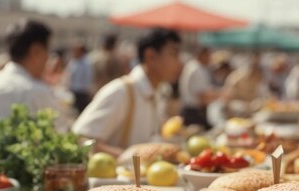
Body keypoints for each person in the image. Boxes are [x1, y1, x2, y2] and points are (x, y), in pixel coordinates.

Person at [72, 28, 182, 157]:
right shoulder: (121, 92)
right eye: (173, 54)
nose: (179, 62)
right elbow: (80, 140)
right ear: (151, 56)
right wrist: (129, 156)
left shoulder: (156, 93)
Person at [0, 19, 63, 122]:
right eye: (47, 51)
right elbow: (60, 133)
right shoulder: (39, 93)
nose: (47, 57)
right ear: (36, 51)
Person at [179, 47, 218, 128]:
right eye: (208, 56)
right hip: (194, 112)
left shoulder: (192, 66)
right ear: (201, 55)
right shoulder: (197, 69)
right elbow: (202, 96)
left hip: (190, 110)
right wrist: (219, 95)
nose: (209, 59)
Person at [65, 42, 92, 113]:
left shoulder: (86, 63)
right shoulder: (73, 62)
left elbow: (88, 78)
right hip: (73, 91)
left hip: (82, 92)